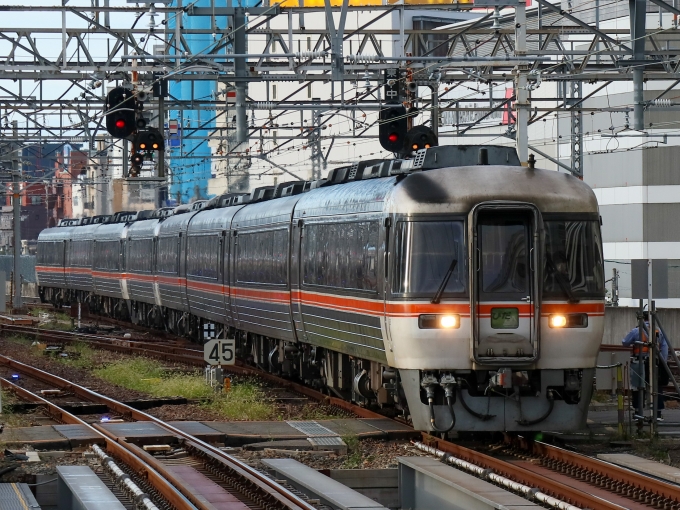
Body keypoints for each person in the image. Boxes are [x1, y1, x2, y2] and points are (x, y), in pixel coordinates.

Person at [622, 311, 669, 420]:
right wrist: (662, 362)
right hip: (655, 363)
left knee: (638, 387)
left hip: (640, 362)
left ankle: (639, 413)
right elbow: (665, 349)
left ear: (641, 318)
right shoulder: (658, 331)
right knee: (657, 388)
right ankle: (657, 414)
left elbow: (625, 342)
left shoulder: (636, 331)